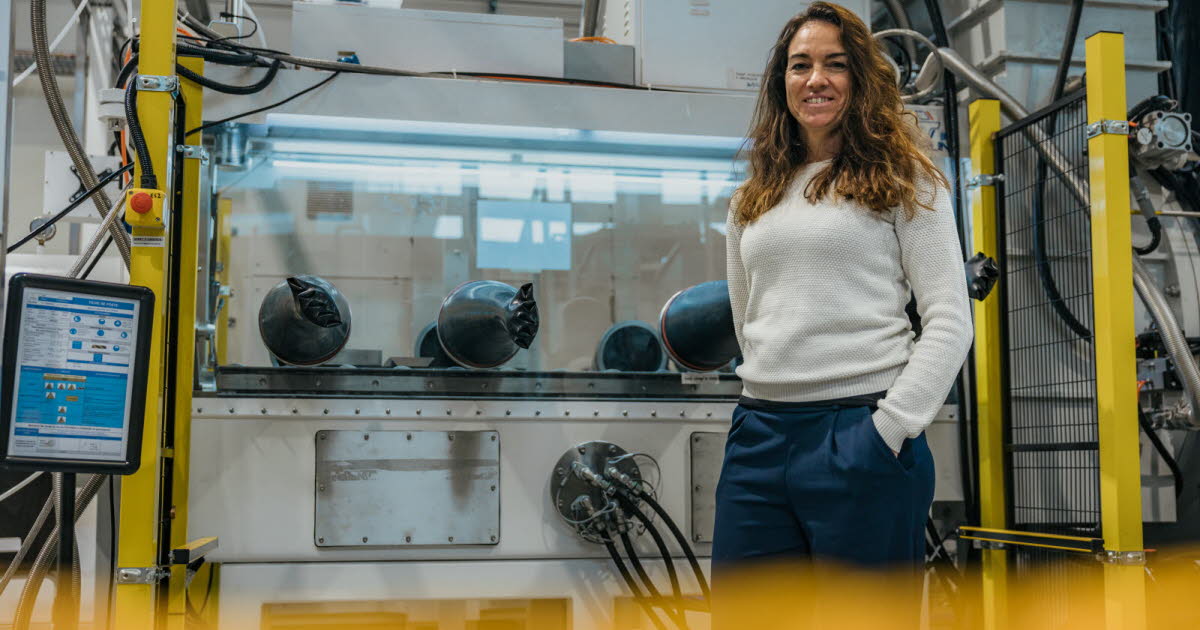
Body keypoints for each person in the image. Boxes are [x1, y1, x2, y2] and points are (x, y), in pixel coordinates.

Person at [712, 0, 973, 615]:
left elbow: (949, 319)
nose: (816, 79)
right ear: (783, 84)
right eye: (800, 65)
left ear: (860, 77)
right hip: (759, 435)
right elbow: (748, 318)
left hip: (860, 432)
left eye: (834, 64)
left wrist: (890, 428)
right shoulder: (754, 196)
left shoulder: (908, 179)